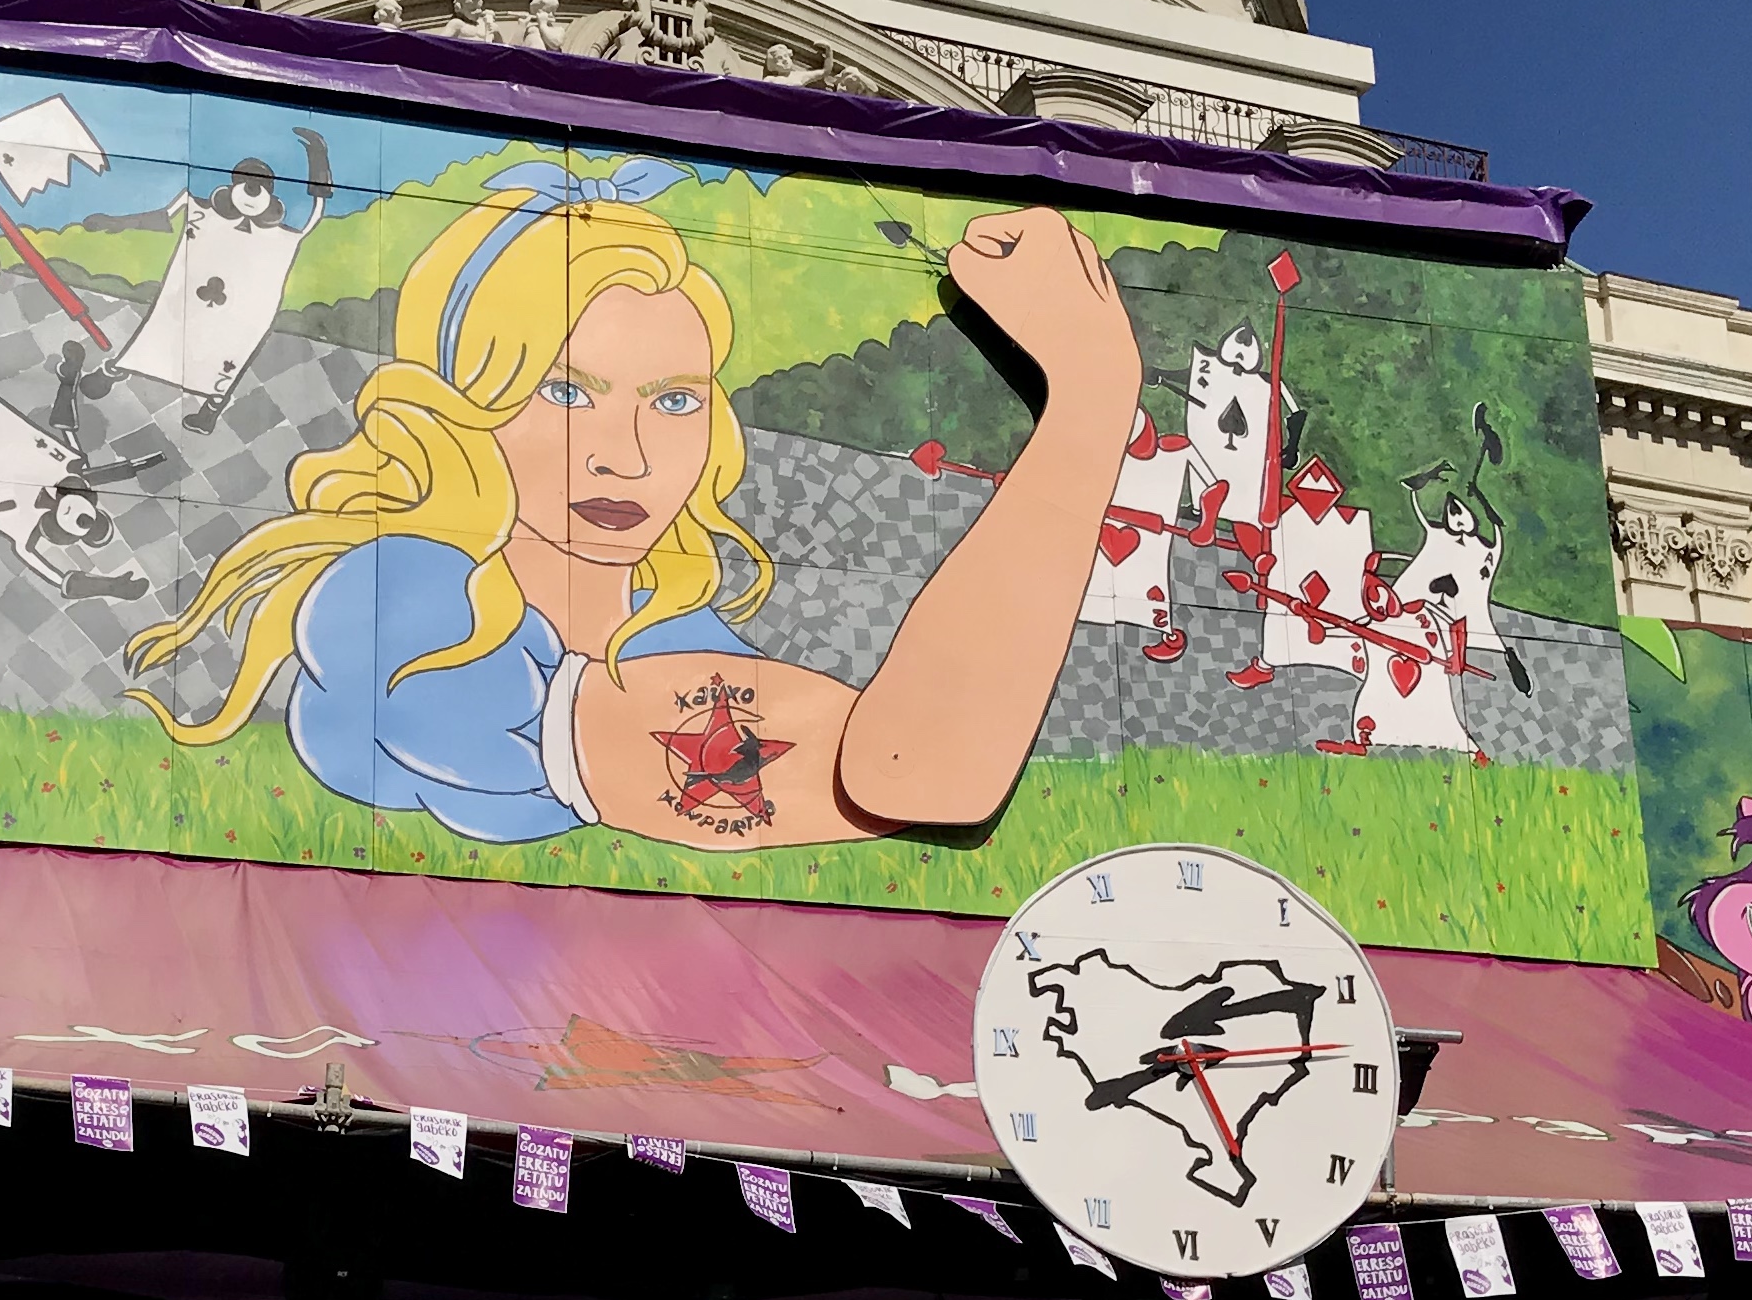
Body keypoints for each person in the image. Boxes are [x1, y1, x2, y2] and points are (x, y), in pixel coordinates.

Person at [125, 172, 1139, 849]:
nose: (626, 454)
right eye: (564, 391)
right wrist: (1091, 396)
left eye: (676, 402)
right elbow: (917, 770)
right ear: (463, 402)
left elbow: (902, 761)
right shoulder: (409, 608)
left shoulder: (679, 639)